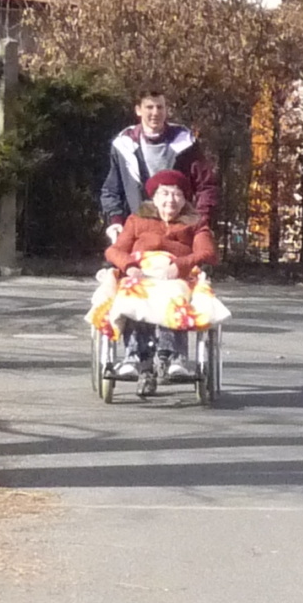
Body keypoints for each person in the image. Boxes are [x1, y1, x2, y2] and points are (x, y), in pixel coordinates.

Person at [92, 173, 228, 397]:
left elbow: (207, 252)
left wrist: (179, 265)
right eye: (164, 193)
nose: (170, 200)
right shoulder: (137, 220)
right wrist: (129, 266)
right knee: (132, 295)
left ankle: (174, 357)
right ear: (154, 198)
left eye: (177, 194)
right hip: (141, 272)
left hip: (176, 275)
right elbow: (114, 251)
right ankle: (135, 357)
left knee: (172, 294)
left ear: (185, 199)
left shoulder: (195, 223)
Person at [100, 90, 219, 243]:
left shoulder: (186, 143)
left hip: (179, 233)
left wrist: (201, 221)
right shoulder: (123, 145)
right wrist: (116, 221)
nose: (155, 113)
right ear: (138, 110)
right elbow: (111, 190)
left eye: (160, 107)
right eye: (149, 107)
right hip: (138, 232)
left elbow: (207, 186)